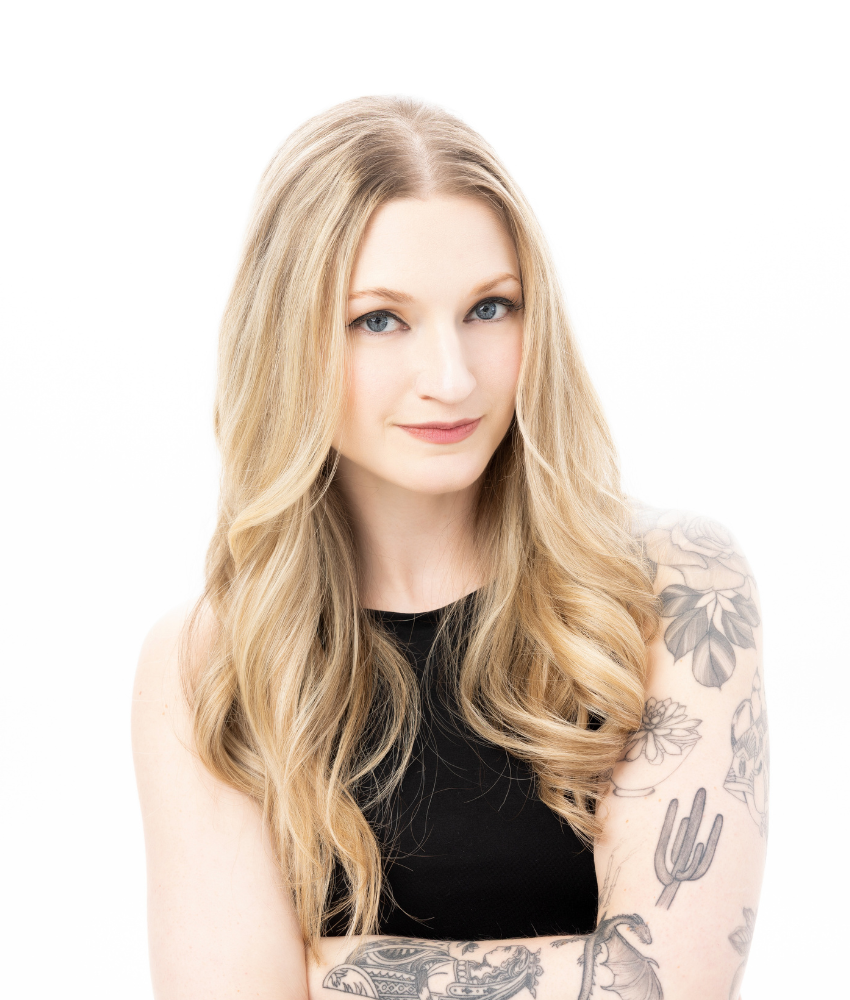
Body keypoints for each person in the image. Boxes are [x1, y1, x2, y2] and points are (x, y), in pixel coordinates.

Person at [132, 96, 767, 1000]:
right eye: (379, 320)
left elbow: (670, 984)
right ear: (285, 340)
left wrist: (321, 972)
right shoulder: (212, 664)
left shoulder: (677, 586)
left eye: (489, 308)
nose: (452, 377)